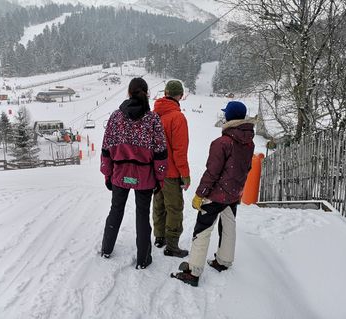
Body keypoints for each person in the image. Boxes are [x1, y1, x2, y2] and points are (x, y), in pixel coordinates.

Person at [171, 101, 255, 286]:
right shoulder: (249, 142)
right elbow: (246, 168)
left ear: (229, 117)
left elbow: (212, 172)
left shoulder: (222, 142)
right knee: (228, 226)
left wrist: (200, 194)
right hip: (233, 194)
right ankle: (223, 261)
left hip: (216, 195)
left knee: (202, 231)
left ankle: (193, 272)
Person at [100, 77, 168, 269]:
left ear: (129, 93)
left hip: (120, 173)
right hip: (145, 175)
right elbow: (160, 152)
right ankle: (143, 258)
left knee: (116, 210)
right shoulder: (153, 119)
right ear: (146, 93)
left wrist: (108, 174)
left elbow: (106, 148)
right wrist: (160, 178)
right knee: (142, 214)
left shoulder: (115, 117)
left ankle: (106, 249)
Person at [153, 80, 190, 258]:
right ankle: (172, 245)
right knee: (174, 207)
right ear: (180, 95)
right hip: (171, 172)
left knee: (159, 203)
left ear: (166, 93)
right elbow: (179, 150)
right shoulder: (177, 117)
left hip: (155, 171)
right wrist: (185, 174)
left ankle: (159, 237)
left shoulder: (154, 114)